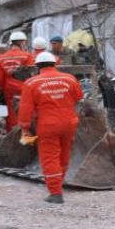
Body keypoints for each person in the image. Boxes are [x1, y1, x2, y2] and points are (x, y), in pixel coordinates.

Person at [18, 51, 84, 204]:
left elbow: (25, 109)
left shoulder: (31, 83)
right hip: (69, 122)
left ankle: (55, 193)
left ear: (37, 66)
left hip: (48, 125)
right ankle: (59, 185)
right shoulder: (69, 78)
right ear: (55, 63)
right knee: (64, 154)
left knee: (50, 157)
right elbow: (79, 97)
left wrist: (24, 127)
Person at [0, 31, 34, 130]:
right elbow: (31, 75)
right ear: (21, 42)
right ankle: (25, 136)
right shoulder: (27, 56)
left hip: (9, 90)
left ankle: (13, 137)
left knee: (12, 114)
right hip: (24, 89)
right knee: (25, 113)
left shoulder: (2, 58)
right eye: (24, 42)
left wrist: (2, 90)